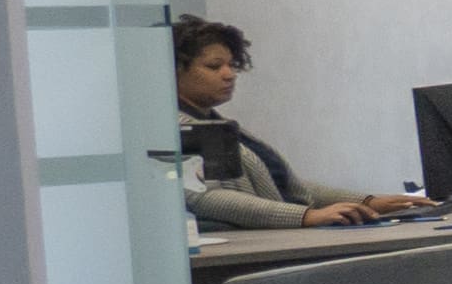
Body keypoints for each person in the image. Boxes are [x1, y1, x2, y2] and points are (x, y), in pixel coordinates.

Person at [170, 16, 428, 231]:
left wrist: (369, 202)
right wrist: (306, 217)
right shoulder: (175, 128)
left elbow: (291, 188)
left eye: (232, 65)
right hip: (263, 242)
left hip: (287, 233)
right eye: (214, 66)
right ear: (174, 69)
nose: (230, 75)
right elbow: (206, 198)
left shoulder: (215, 123)